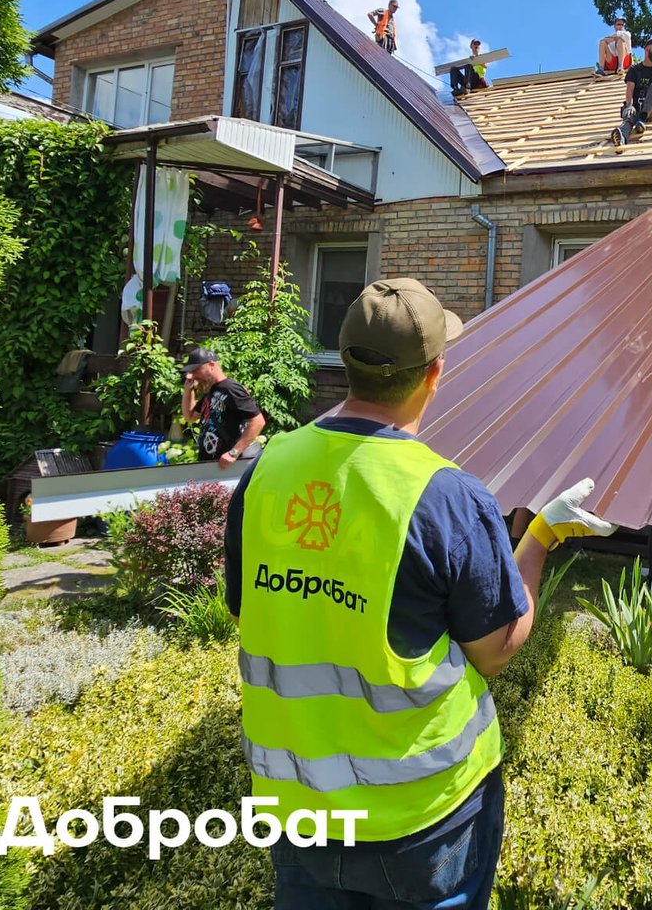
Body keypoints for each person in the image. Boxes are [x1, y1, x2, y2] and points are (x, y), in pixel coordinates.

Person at [226, 277, 613, 909]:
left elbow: (252, 608)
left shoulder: (267, 470)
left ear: (344, 358)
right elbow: (495, 649)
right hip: (423, 818)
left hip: (295, 807)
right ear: (435, 373)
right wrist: (539, 536)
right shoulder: (445, 496)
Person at [180, 347, 266, 468]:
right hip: (209, 464)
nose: (192, 375)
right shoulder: (212, 390)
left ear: (211, 365)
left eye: (196, 370)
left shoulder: (231, 389)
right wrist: (188, 390)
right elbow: (190, 416)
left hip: (227, 466)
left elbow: (258, 422)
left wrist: (233, 453)